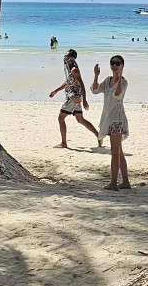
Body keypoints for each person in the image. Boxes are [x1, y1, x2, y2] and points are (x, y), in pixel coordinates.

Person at [91, 55, 130, 189]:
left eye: (117, 63)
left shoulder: (123, 82)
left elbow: (117, 94)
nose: (114, 65)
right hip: (108, 118)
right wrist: (96, 75)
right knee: (119, 151)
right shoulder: (107, 80)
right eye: (112, 63)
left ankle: (113, 183)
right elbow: (95, 90)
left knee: (115, 152)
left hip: (117, 120)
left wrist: (119, 76)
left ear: (122, 66)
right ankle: (125, 182)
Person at [49, 49, 98, 147]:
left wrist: (84, 100)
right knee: (80, 120)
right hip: (75, 97)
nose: (64, 57)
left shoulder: (74, 69)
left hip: (73, 97)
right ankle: (98, 135)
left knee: (60, 118)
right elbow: (68, 82)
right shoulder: (70, 68)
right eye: (65, 55)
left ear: (71, 58)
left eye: (66, 56)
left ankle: (64, 143)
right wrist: (56, 91)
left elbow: (82, 84)